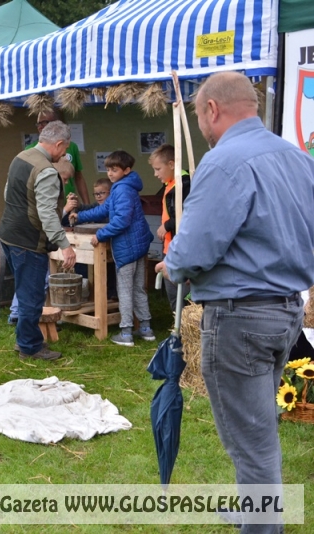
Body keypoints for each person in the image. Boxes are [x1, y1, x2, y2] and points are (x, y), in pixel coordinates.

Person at [157, 71, 314, 532]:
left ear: (211, 109)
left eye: (200, 117)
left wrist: (175, 264)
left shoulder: (224, 162)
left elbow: (198, 245)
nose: (202, 129)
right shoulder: (297, 158)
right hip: (285, 309)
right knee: (257, 422)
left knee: (252, 440)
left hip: (241, 316)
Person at [0, 121, 76, 361]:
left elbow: (8, 193)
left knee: (24, 292)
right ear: (59, 143)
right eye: (64, 150)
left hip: (8, 234)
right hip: (28, 240)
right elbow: (47, 213)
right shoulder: (46, 171)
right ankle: (30, 347)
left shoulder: (20, 157)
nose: (64, 155)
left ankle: (24, 340)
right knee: (32, 295)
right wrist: (65, 246)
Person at [70, 150, 154, 347]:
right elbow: (104, 209)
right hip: (139, 246)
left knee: (125, 289)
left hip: (127, 247)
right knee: (138, 288)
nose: (109, 173)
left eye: (114, 169)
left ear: (126, 170)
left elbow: (121, 221)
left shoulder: (123, 189)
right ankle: (145, 327)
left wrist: (100, 235)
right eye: (108, 169)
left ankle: (126, 332)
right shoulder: (122, 187)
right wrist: (80, 216)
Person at [148, 144, 190, 311]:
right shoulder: (169, 184)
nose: (155, 174)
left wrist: (167, 225)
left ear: (172, 164)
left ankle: (186, 330)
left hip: (180, 247)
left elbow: (188, 214)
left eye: (158, 169)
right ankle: (176, 328)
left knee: (183, 294)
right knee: (172, 292)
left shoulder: (184, 184)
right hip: (169, 245)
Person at [62, 178, 118, 301]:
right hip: (97, 246)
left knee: (111, 272)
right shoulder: (95, 206)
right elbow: (83, 211)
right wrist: (75, 206)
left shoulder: (114, 208)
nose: (98, 197)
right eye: (96, 194)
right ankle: (92, 295)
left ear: (111, 192)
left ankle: (111, 295)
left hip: (113, 247)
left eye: (102, 193)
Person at [26, 109, 90, 204]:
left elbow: (78, 176)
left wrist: (87, 205)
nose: (40, 126)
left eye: (44, 122)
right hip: (47, 206)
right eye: (38, 124)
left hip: (69, 204)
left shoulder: (71, 146)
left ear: (55, 123)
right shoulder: (30, 149)